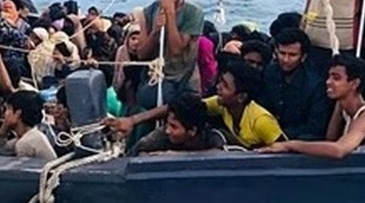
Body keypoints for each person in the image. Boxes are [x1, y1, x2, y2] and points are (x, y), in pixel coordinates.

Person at [108, 59, 283, 149]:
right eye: (220, 82)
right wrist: (132, 120)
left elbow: (285, 151)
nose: (218, 87)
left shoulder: (261, 120)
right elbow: (179, 107)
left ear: (241, 97)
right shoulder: (221, 103)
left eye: (225, 86)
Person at [260, 53, 365, 158]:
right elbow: (331, 139)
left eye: (336, 78)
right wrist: (339, 106)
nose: (328, 82)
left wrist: (289, 145)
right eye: (329, 76)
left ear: (354, 83)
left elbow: (338, 150)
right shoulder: (345, 106)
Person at [137, 0, 205, 107]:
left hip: (184, 79)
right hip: (156, 77)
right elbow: (141, 54)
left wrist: (170, 13)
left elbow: (176, 49)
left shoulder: (193, 13)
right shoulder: (148, 12)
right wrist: (155, 32)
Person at [261, 29, 331, 140]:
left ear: (303, 57)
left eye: (292, 55)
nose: (286, 59)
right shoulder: (269, 73)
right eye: (282, 53)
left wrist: (282, 136)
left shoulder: (315, 85)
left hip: (298, 141)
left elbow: (315, 126)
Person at [131, 93, 226, 155]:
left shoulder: (212, 138)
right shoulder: (162, 136)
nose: (167, 131)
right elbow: (136, 152)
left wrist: (178, 155)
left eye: (174, 126)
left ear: (192, 131)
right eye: (168, 124)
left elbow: (220, 154)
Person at [0, 90, 57, 161]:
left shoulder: (24, 143)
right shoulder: (31, 135)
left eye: (8, 109)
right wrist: (4, 128)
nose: (5, 113)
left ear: (18, 113)